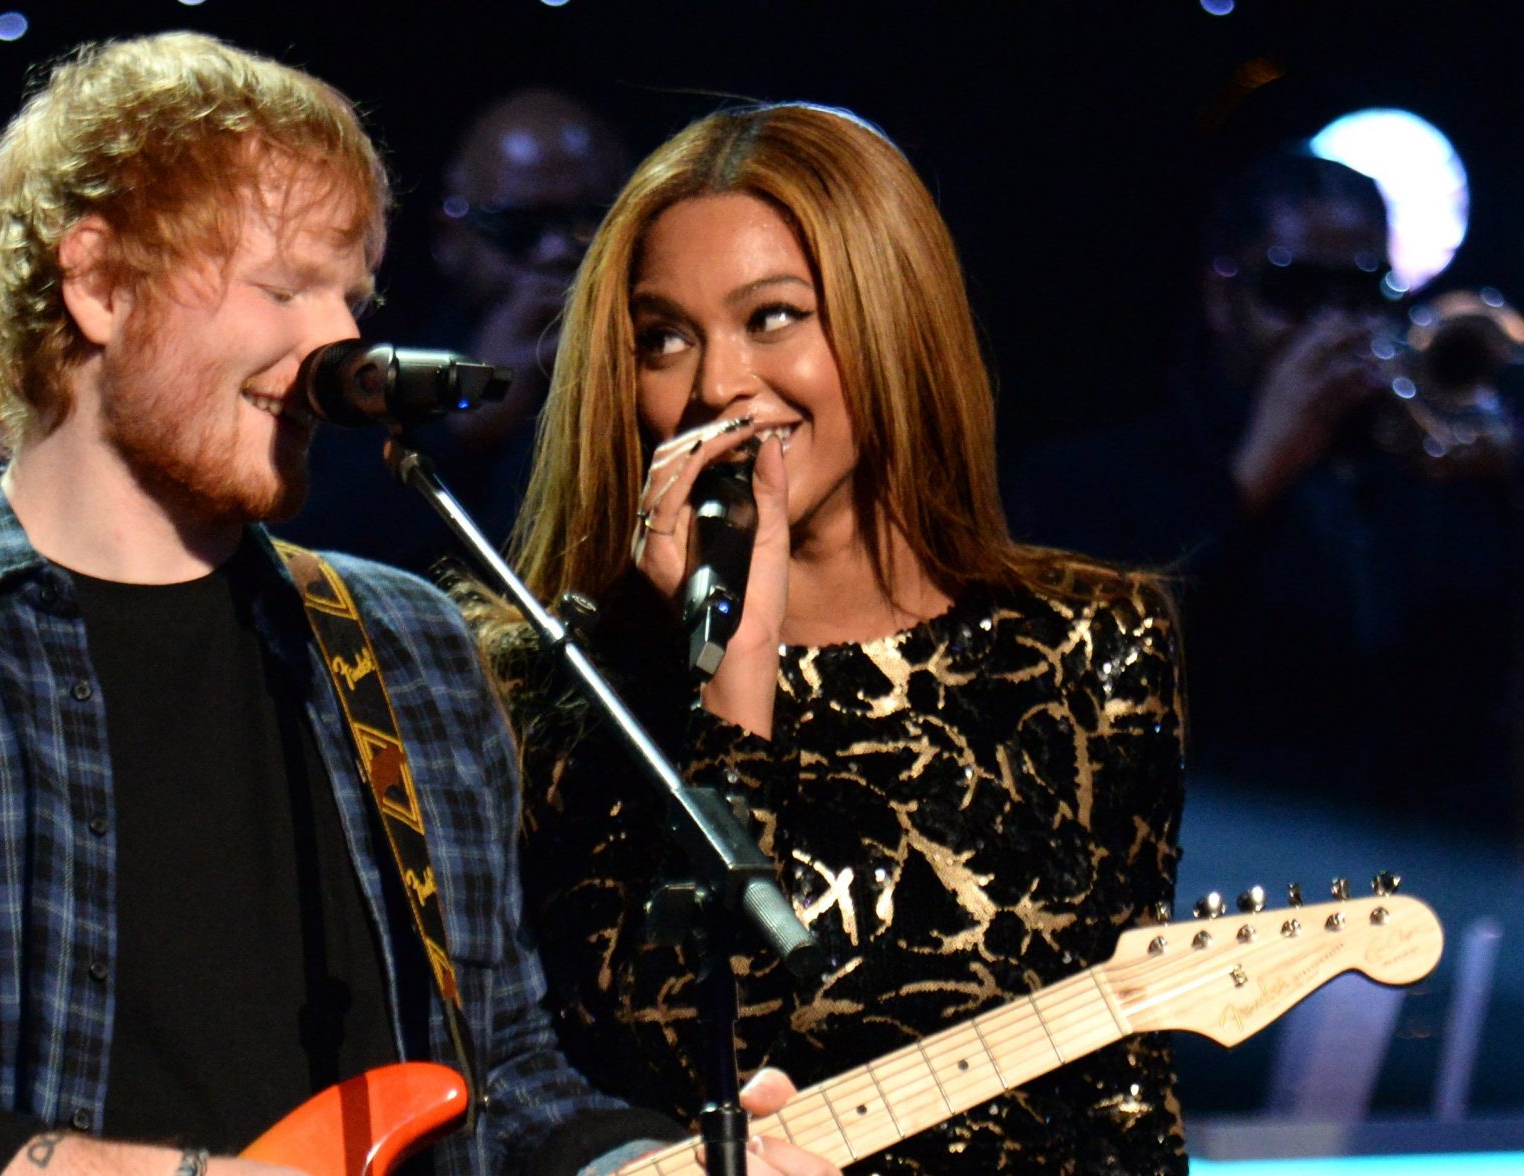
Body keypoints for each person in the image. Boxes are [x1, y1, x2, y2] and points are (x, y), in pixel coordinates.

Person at [0, 35, 836, 1176]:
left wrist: (641, 1166)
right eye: (282, 287)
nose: (338, 339)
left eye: (349, 295)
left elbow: (505, 1085)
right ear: (97, 284)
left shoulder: (406, 649)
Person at [470, 103, 1188, 1173]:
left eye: (771, 318)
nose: (716, 386)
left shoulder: (1089, 643)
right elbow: (669, 1078)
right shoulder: (559, 688)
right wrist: (733, 674)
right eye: (663, 338)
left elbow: (1122, 1085)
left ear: (886, 316)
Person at [1005, 148, 1524, 860]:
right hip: (1243, 904)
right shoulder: (1098, 481)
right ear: (1222, 297)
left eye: (1363, 293)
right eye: (1295, 290)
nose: (1335, 327)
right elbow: (1074, 692)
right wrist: (1249, 480)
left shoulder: (1453, 472)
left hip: (1473, 898)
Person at [285, 88, 629, 571]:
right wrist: (458, 433)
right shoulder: (375, 381)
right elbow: (309, 555)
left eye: (589, 223)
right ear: (451, 236)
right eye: (517, 227)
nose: (555, 252)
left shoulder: (653, 364)